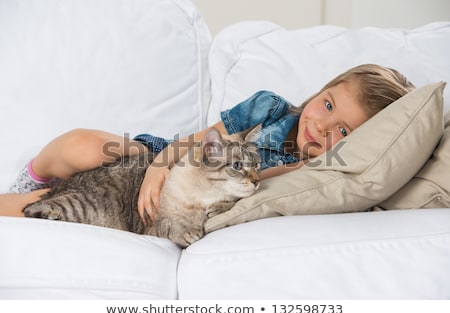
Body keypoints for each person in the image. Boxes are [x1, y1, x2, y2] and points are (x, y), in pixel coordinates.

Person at [0, 64, 415, 219]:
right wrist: (158, 167)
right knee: (86, 146)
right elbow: (195, 143)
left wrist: (296, 168)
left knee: (64, 211)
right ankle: (32, 176)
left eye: (342, 131)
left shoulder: (325, 174)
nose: (323, 128)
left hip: (191, 195)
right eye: (327, 105)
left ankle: (37, 199)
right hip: (167, 158)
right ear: (322, 89)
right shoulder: (269, 108)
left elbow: (250, 185)